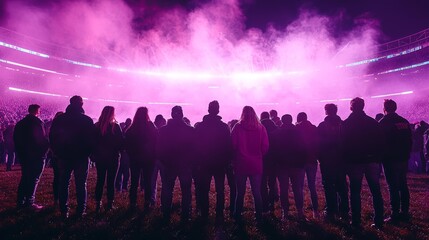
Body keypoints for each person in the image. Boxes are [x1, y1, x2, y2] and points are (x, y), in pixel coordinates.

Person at [50, 95, 97, 219]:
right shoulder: (86, 120)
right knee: (81, 184)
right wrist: (89, 153)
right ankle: (81, 210)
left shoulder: (60, 119)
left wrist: (57, 151)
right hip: (81, 156)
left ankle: (63, 210)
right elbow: (91, 139)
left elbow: (53, 137)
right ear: (81, 104)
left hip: (64, 155)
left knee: (63, 183)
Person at [343, 97, 384, 229]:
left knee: (355, 192)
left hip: (355, 161)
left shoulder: (347, 123)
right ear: (363, 106)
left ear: (351, 107)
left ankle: (356, 221)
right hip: (372, 160)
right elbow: (379, 142)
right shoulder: (372, 122)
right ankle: (379, 220)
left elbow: (343, 144)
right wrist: (377, 157)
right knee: (376, 191)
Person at [194, 101, 233, 223]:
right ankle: (219, 213)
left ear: (208, 109)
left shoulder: (200, 126)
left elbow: (196, 145)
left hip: (204, 162)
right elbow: (228, 146)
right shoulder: (223, 127)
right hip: (220, 163)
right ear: (218, 110)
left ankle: (204, 213)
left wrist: (198, 160)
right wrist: (227, 161)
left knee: (204, 189)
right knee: (220, 189)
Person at [231, 106, 269, 224]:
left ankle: (237, 215)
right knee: (256, 191)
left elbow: (232, 145)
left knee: (240, 192)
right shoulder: (260, 128)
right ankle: (259, 216)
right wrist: (258, 155)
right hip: (256, 163)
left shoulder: (237, 127)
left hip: (241, 163)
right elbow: (265, 146)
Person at [158, 106, 195, 223]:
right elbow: (194, 149)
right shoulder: (190, 130)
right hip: (185, 165)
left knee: (167, 189)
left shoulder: (163, 130)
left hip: (169, 164)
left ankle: (165, 215)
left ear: (171, 115)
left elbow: (159, 149)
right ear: (182, 115)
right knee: (186, 191)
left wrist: (163, 161)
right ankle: (185, 216)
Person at [379, 99, 412, 223]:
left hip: (390, 159)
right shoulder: (404, 121)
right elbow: (409, 139)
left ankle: (395, 213)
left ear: (385, 109)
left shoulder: (384, 122)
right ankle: (405, 211)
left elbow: (380, 141)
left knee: (392, 186)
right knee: (403, 184)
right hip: (403, 157)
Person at [14, 104, 49, 210]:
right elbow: (41, 140)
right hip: (36, 156)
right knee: (34, 178)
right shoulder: (38, 123)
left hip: (24, 155)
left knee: (25, 177)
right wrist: (44, 151)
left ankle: (20, 201)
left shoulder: (20, 123)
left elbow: (16, 139)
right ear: (37, 112)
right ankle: (30, 202)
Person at [317, 104, 349, 221]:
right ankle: (344, 211)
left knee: (329, 186)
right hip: (341, 160)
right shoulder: (344, 125)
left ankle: (331, 210)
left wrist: (320, 158)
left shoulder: (322, 126)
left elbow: (318, 144)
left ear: (326, 111)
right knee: (342, 185)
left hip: (327, 161)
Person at [271, 114, 306, 220]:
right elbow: (303, 147)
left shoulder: (276, 133)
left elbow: (274, 150)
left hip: (282, 165)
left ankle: (285, 212)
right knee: (297, 189)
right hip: (297, 164)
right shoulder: (298, 132)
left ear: (282, 121)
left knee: (283, 189)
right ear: (291, 120)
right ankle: (300, 212)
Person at [125, 107, 157, 211]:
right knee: (148, 181)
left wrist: (132, 155)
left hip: (135, 159)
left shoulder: (132, 128)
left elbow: (127, 144)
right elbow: (157, 140)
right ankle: (147, 202)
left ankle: (132, 203)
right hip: (148, 159)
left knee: (134, 182)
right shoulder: (151, 126)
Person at [92, 106, 124, 212]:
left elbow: (93, 143)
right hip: (113, 158)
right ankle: (109, 204)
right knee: (111, 182)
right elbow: (120, 143)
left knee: (100, 180)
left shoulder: (97, 126)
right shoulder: (115, 127)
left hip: (100, 158)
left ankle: (98, 203)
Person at [296, 112, 320, 219]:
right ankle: (316, 211)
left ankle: (300, 212)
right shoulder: (314, 128)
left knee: (299, 187)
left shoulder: (296, 129)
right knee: (312, 187)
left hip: (300, 161)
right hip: (312, 160)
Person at [260, 111, 279, 213]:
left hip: (262, 159)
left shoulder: (259, 128)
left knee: (262, 184)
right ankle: (271, 205)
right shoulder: (276, 129)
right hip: (274, 161)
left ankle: (265, 205)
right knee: (272, 184)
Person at [150, 114, 167, 205]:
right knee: (165, 181)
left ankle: (152, 201)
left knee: (152, 181)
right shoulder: (165, 132)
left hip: (154, 158)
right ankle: (164, 202)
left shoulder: (152, 131)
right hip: (162, 159)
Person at [115, 118, 132, 192]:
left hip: (122, 152)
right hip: (127, 153)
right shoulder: (130, 131)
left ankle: (119, 186)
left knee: (120, 171)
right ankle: (124, 186)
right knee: (125, 171)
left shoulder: (122, 130)